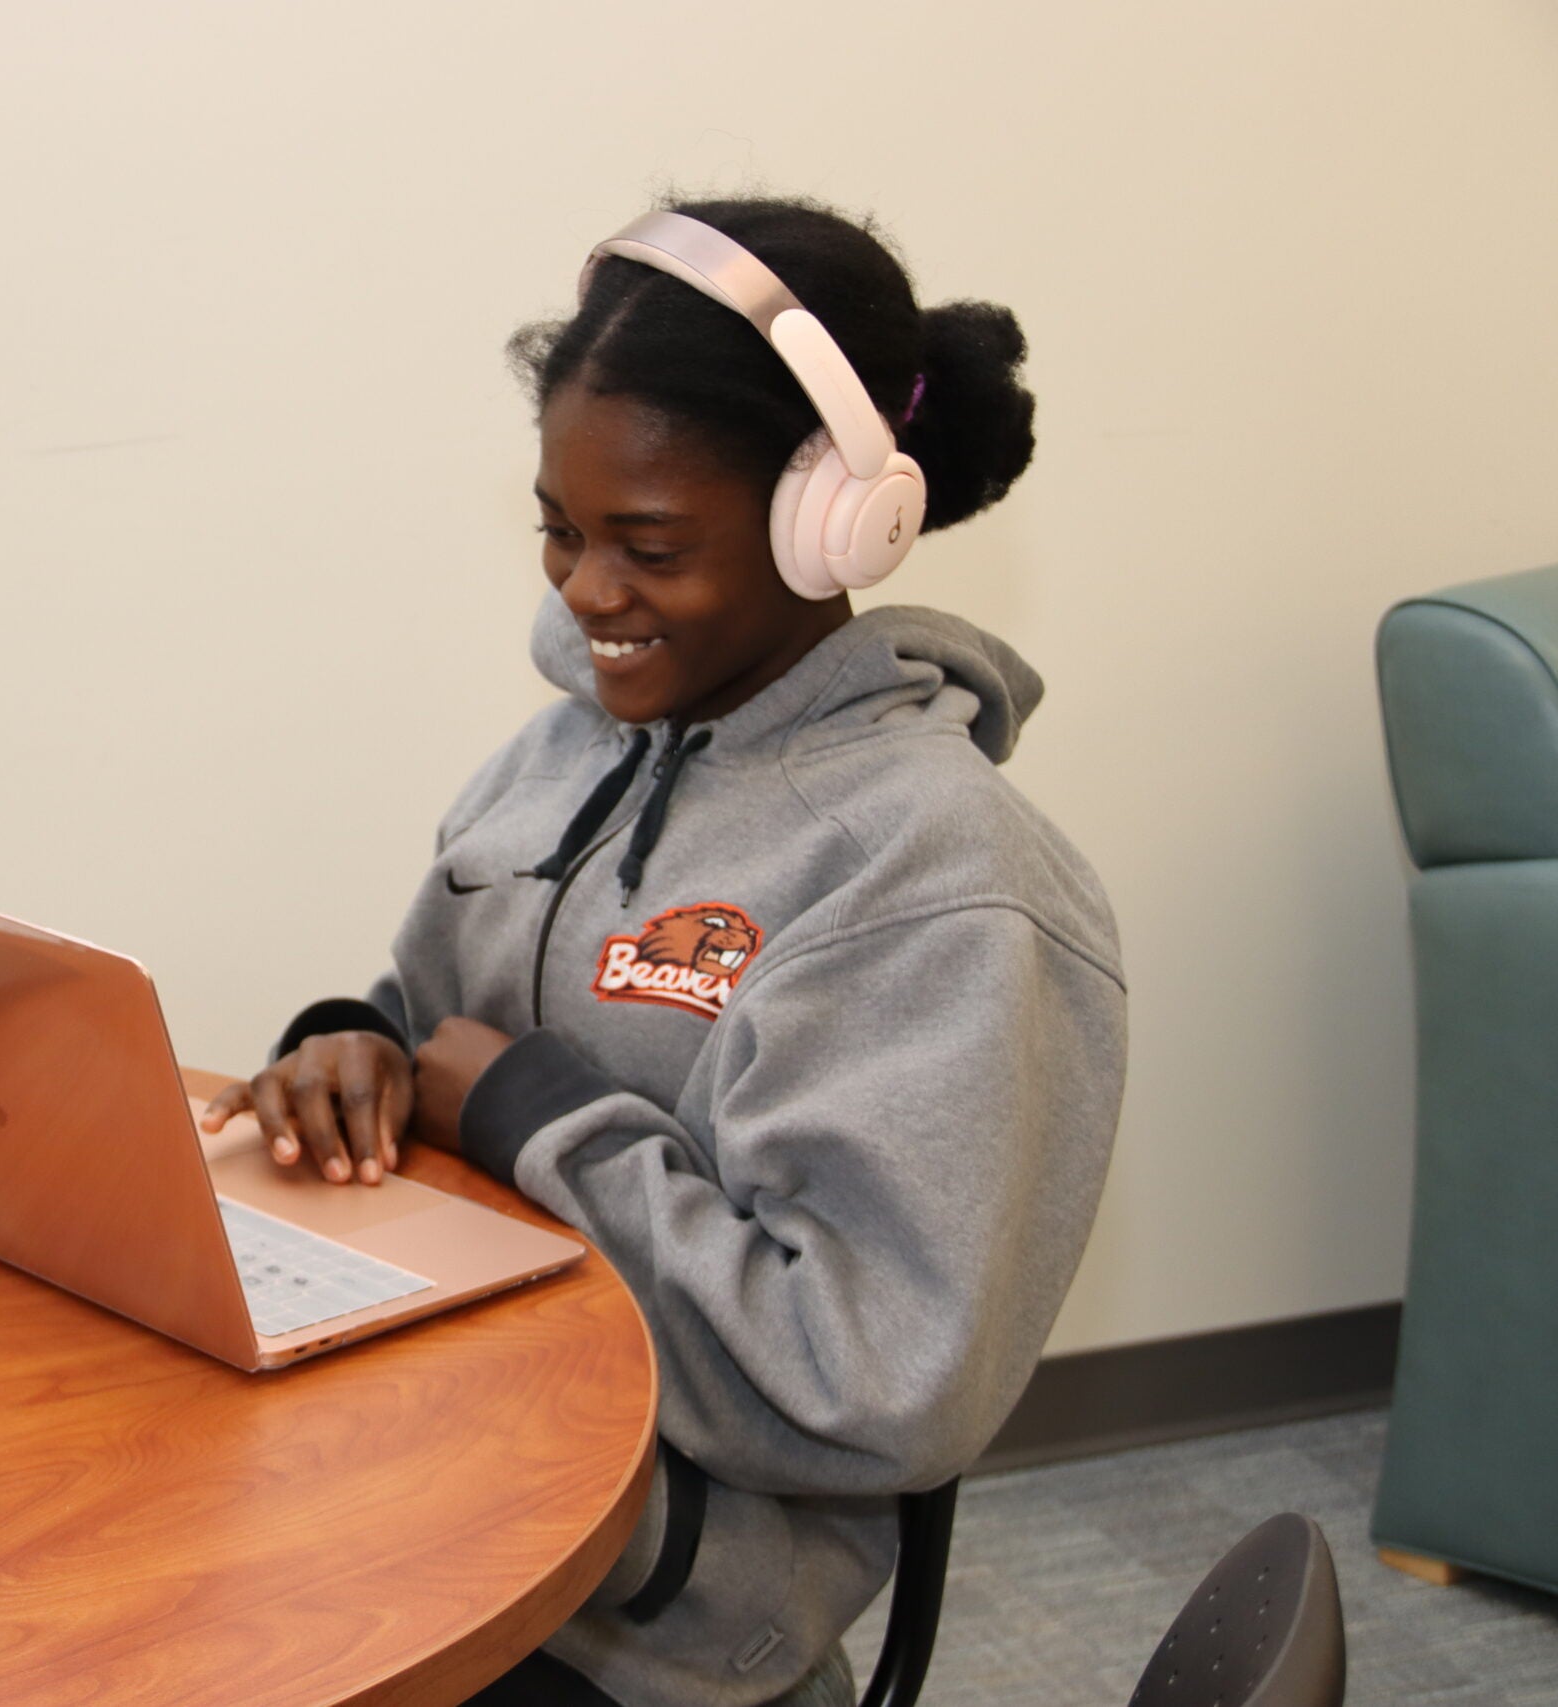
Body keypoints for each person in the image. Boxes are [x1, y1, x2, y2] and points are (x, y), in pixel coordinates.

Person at [200, 196, 1127, 1707]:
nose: (583, 590)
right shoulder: (563, 751)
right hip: (445, 1455)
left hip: (650, 1628)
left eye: (647, 544)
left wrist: (530, 1117)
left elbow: (870, 1380)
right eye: (560, 532)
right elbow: (428, 1023)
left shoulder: (932, 878)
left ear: (831, 521)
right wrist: (346, 1048)